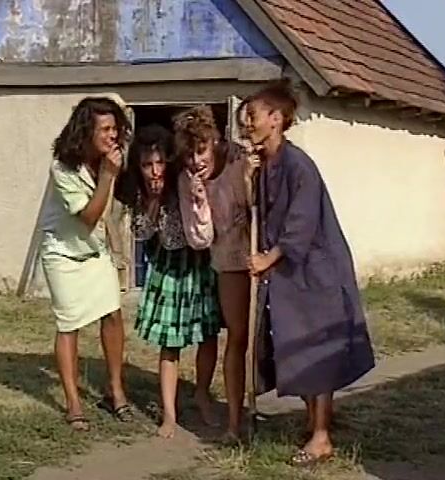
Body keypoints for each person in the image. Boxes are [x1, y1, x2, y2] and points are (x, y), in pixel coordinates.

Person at [245, 80, 375, 465]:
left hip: (315, 272)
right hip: (290, 275)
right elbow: (257, 214)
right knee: (293, 347)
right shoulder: (265, 165)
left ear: (276, 118)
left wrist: (267, 259)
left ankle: (321, 438)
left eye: (252, 115)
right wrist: (248, 179)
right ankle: (315, 421)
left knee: (317, 351)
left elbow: (299, 225)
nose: (247, 123)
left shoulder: (299, 166)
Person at [115, 124, 221, 439]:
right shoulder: (140, 193)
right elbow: (141, 233)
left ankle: (202, 394)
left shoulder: (182, 183)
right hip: (168, 268)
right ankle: (169, 413)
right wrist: (152, 202)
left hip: (199, 264)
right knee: (170, 343)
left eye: (160, 162)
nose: (155, 170)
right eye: (147, 164)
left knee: (207, 335)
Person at [40, 97, 134, 431]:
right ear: (86, 132)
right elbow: (89, 217)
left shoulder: (109, 160)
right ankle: (73, 403)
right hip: (63, 254)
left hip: (95, 253)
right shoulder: (62, 168)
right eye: (105, 129)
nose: (113, 135)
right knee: (69, 324)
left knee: (112, 315)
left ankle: (115, 391)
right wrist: (108, 176)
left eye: (115, 128)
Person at [173, 106, 256, 441]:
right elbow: (200, 239)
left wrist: (249, 179)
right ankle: (234, 423)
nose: (196, 161)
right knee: (238, 336)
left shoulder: (239, 161)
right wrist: (199, 202)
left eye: (201, 150)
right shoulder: (187, 181)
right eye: (189, 154)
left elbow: (258, 207)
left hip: (261, 256)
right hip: (229, 261)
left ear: (216, 141)